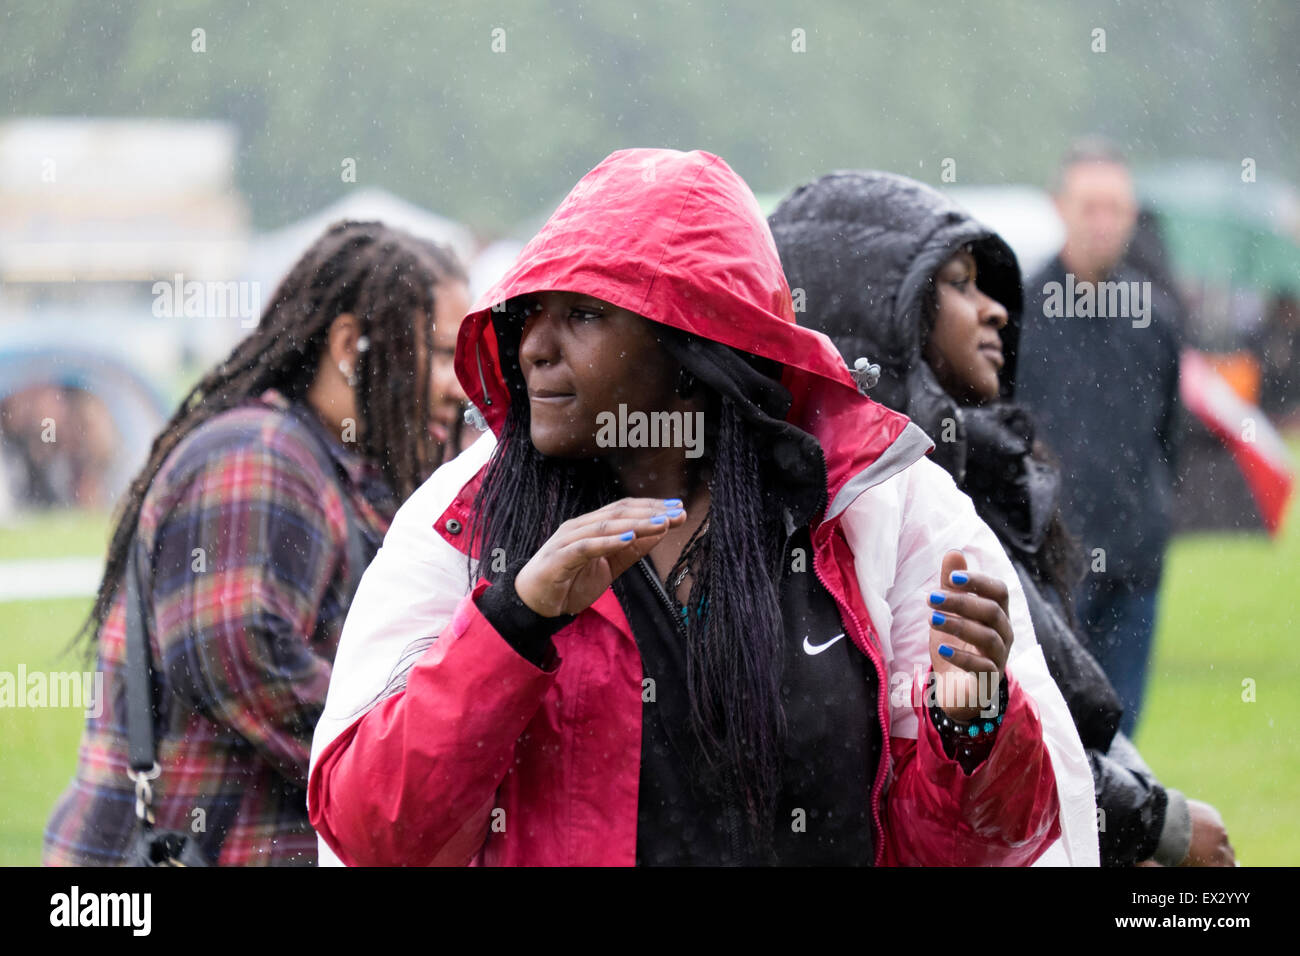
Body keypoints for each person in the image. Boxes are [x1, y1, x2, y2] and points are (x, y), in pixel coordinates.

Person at [307, 148, 1097, 867]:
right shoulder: (463, 517)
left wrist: (971, 725)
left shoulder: (879, 504)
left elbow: (976, 851)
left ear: (693, 340)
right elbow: (374, 834)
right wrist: (514, 621)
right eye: (528, 315)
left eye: (582, 314)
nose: (533, 347)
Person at [769, 168, 1234, 866]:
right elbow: (939, 767)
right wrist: (1154, 822)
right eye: (957, 284)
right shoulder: (882, 504)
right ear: (874, 309)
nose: (995, 311)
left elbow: (1070, 723)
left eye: (986, 285)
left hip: (1135, 554)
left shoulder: (985, 468)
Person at [43, 221, 470, 866]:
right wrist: (409, 751)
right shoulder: (259, 455)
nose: (459, 386)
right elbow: (240, 656)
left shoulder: (330, 467)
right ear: (351, 346)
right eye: (440, 354)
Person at [1015, 139, 1183, 737]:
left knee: (1123, 746)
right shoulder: (1021, 313)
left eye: (1115, 207)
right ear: (1059, 207)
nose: (1104, 221)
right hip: (1053, 570)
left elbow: (1167, 439)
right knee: (1055, 742)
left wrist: (1155, 525)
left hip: (1135, 564)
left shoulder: (1157, 319)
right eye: (1090, 206)